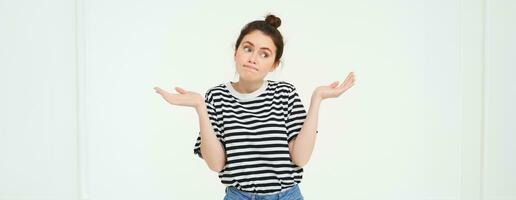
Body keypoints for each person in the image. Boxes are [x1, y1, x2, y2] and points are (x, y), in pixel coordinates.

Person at [154, 14, 355, 200]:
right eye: (247, 49)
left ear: (274, 64)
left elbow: (300, 158)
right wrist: (200, 106)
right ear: (236, 52)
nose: (252, 58)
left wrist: (317, 98)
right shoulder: (216, 96)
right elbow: (216, 164)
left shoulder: (285, 93)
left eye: (264, 54)